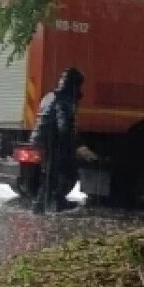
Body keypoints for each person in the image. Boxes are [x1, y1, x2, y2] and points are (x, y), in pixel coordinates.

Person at [29, 67, 85, 213]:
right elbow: (64, 127)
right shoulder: (65, 100)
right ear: (75, 85)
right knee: (67, 171)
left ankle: (41, 207)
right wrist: (76, 146)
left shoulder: (50, 95)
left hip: (40, 138)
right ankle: (53, 203)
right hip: (51, 141)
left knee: (49, 175)